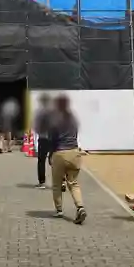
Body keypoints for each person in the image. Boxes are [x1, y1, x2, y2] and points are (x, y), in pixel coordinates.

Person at [48, 94, 87, 224]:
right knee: (73, 183)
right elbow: (75, 134)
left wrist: (50, 154)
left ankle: (59, 210)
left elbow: (52, 139)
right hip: (74, 152)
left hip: (60, 153)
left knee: (57, 184)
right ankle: (80, 207)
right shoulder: (73, 118)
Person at [33, 93, 53, 188]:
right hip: (53, 139)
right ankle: (61, 181)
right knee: (56, 161)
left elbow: (36, 127)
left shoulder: (39, 112)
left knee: (41, 161)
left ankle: (42, 182)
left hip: (43, 138)